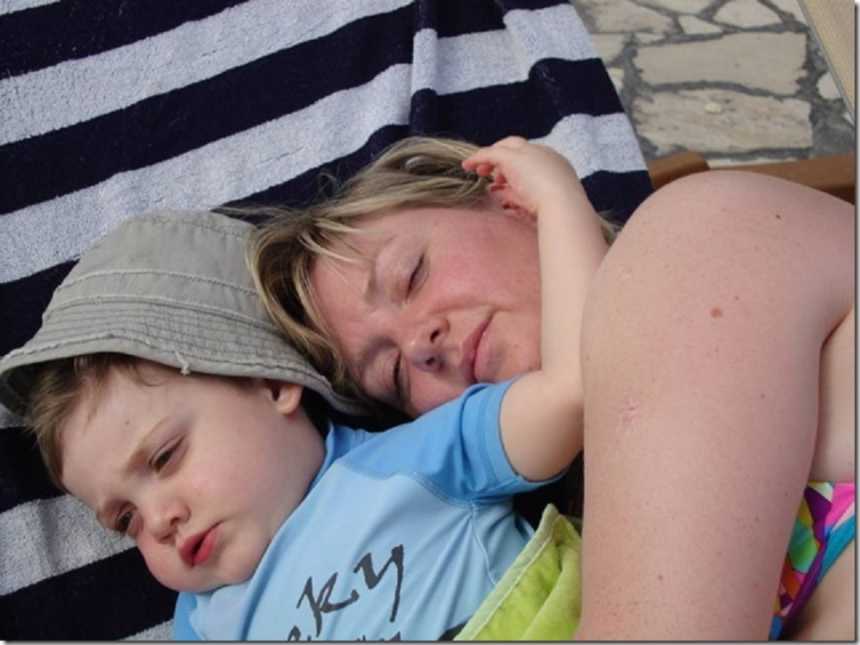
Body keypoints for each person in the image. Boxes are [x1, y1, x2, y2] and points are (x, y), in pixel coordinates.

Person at [250, 135, 856, 640]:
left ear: (506, 197)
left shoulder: (698, 238)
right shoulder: (567, 564)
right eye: (395, 375)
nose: (420, 345)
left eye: (411, 275)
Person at [0, 179, 589, 641]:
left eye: (165, 456)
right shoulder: (204, 622)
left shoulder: (416, 458)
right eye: (124, 520)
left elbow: (574, 388)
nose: (157, 522)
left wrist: (559, 200)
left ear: (271, 384)